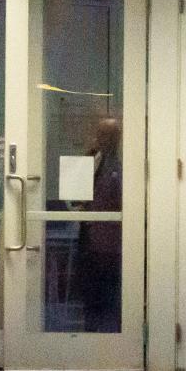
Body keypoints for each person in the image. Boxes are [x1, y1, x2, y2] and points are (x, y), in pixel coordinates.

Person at [78, 117, 122, 333]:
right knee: (90, 294)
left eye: (108, 135)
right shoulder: (93, 160)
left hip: (112, 242)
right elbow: (77, 197)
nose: (102, 139)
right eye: (101, 134)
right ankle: (91, 339)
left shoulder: (122, 166)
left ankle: (110, 340)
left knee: (110, 295)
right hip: (90, 237)